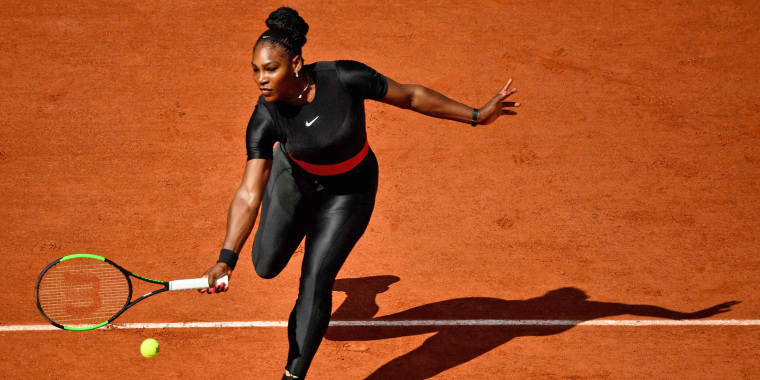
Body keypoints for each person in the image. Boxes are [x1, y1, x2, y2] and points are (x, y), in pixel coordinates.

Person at [198, 7, 520, 379]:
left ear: (297, 63)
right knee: (265, 266)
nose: (260, 79)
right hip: (294, 184)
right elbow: (249, 194)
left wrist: (478, 115)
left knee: (315, 278)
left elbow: (412, 96)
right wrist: (226, 258)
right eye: (255, 69)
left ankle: (292, 375)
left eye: (270, 69)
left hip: (349, 192)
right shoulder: (265, 118)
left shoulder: (344, 78)